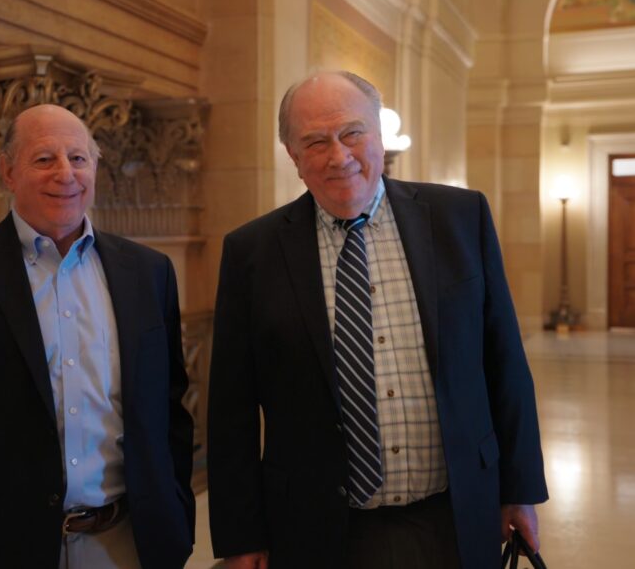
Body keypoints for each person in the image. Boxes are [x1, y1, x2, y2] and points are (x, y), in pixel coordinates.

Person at [207, 72, 547, 569]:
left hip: (453, 515)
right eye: (315, 142)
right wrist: (241, 534)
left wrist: (519, 490)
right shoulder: (251, 253)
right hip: (318, 529)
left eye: (352, 133)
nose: (338, 155)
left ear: (380, 137)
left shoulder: (459, 217)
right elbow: (231, 410)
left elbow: (505, 363)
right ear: (293, 158)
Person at [0, 104, 195, 569]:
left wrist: (178, 519)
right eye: (43, 159)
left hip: (128, 542)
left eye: (78, 158)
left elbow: (170, 409)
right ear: (7, 171)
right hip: (2, 547)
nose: (65, 174)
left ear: (96, 167)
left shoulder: (148, 272)